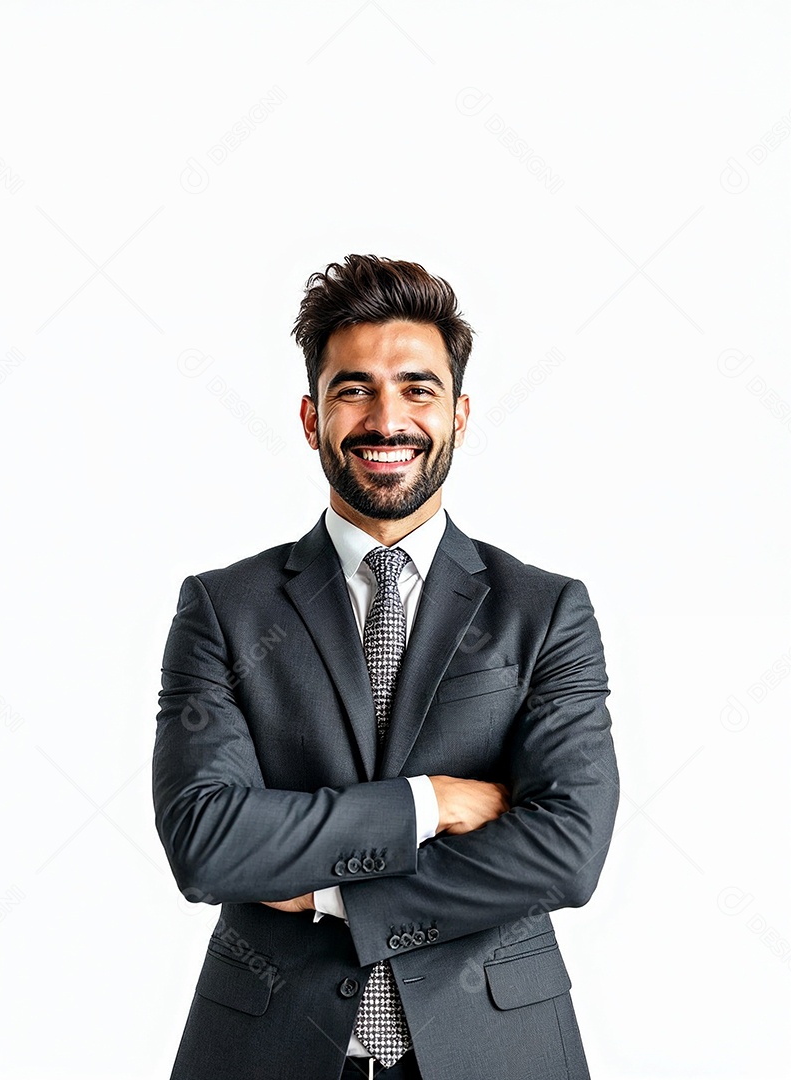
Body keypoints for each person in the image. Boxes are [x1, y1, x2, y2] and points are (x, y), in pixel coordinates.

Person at [152, 254, 619, 1080]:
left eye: (417, 388)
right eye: (354, 389)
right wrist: (428, 802)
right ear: (312, 418)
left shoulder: (545, 611)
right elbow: (207, 842)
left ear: (460, 414)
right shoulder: (225, 609)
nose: (387, 418)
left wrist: (333, 894)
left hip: (496, 1050)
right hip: (267, 1050)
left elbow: (566, 850)